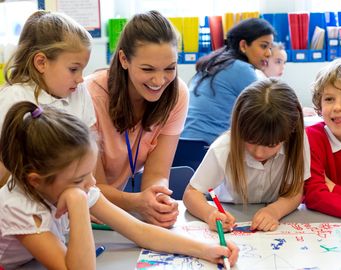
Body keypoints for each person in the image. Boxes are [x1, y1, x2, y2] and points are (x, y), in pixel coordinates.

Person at [0, 101, 238, 270]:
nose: (92, 183)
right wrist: (78, 202)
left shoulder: (76, 185)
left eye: (89, 173)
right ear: (35, 180)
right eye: (79, 179)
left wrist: (205, 249)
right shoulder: (20, 207)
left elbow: (139, 230)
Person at [84, 11, 188, 228]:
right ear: (124, 59)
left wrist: (158, 200)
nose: (160, 80)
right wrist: (138, 202)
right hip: (80, 212)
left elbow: (158, 173)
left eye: (170, 68)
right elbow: (93, 188)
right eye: (147, 69)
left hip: (115, 213)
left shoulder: (177, 94)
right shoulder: (90, 96)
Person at [183, 78, 311, 232]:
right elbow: (191, 193)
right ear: (239, 127)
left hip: (275, 224)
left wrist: (275, 211)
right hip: (230, 214)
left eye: (270, 145)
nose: (258, 153)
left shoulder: (298, 143)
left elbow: (296, 192)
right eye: (250, 141)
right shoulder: (223, 149)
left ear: (289, 133)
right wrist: (210, 214)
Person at [0, 10, 95, 186]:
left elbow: (86, 157)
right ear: (41, 63)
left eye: (83, 69)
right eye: (74, 69)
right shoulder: (14, 97)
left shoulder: (79, 91)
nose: (81, 78)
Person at [181, 18, 275, 145]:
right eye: (264, 46)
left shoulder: (215, 62)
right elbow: (268, 112)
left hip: (183, 145)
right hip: (210, 148)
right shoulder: (241, 69)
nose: (269, 53)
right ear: (243, 45)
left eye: (271, 47)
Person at [304, 58, 341, 221]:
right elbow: (314, 196)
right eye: (329, 99)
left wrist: (333, 189)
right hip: (323, 228)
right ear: (319, 105)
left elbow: (323, 195)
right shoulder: (311, 137)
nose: (337, 107)